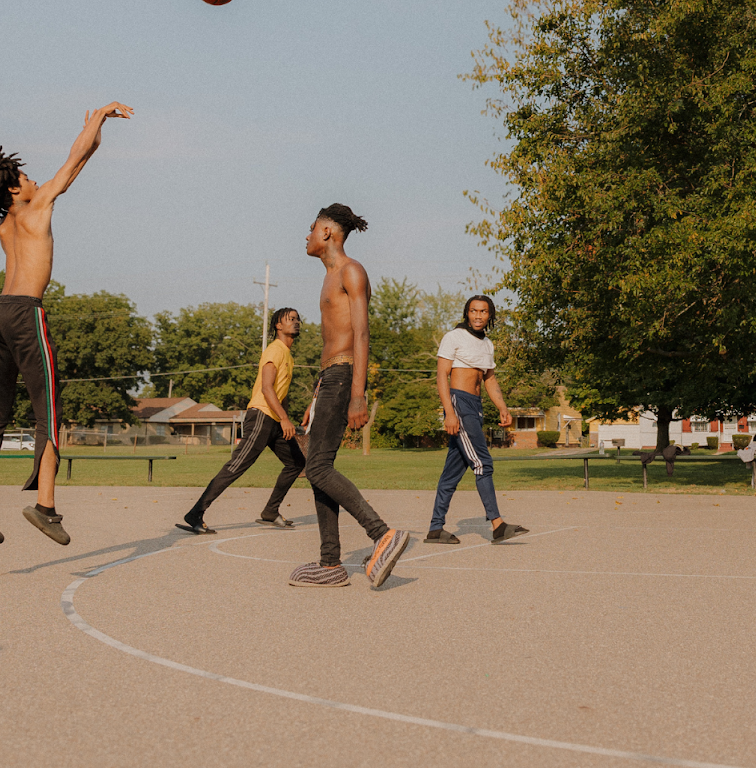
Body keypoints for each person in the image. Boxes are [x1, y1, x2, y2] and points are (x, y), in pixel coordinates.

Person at [0, 104, 133, 546]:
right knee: (48, 414)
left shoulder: (5, 225)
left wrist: (92, 131)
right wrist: (99, 115)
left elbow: (82, 157)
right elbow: (74, 159)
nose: (34, 179)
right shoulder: (36, 205)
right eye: (26, 176)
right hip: (25, 313)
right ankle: (46, 506)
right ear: (17, 190)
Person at [288, 204, 411, 588]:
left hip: (344, 376)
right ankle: (330, 564)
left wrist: (358, 393)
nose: (305, 235)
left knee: (319, 467)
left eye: (311, 229)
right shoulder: (328, 278)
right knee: (317, 469)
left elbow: (360, 335)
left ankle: (382, 534)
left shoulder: (351, 271)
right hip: (330, 378)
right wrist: (317, 394)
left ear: (327, 232)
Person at [175, 308, 308, 534]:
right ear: (278, 325)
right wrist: (283, 418)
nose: (296, 322)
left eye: (298, 319)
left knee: (296, 463)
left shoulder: (288, 355)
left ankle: (270, 512)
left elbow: (281, 393)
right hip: (261, 416)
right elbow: (267, 389)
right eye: (291, 319)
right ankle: (195, 513)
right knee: (236, 467)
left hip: (275, 421)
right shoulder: (274, 350)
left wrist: (287, 423)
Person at [426, 295, 529, 545]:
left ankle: (435, 528)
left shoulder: (488, 345)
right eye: (473, 311)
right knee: (483, 463)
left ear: (490, 315)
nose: (478, 316)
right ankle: (497, 524)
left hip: (475, 406)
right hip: (459, 403)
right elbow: (441, 376)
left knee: (452, 472)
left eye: (483, 311)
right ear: (466, 313)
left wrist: (502, 406)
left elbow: (489, 379)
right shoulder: (453, 337)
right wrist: (449, 412)